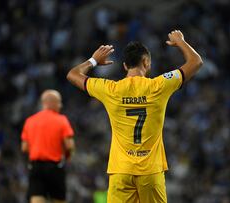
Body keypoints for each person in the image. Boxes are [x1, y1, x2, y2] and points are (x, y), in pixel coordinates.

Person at [67, 30, 203, 202]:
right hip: (151, 171)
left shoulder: (111, 89)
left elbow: (72, 75)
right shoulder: (159, 85)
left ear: (125, 66)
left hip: (121, 170)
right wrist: (181, 41)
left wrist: (94, 60)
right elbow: (196, 62)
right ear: (146, 62)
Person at [21, 89, 75, 203]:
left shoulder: (30, 121)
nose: (61, 105)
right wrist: (68, 156)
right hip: (55, 166)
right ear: (52, 103)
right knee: (59, 199)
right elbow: (69, 145)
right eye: (59, 102)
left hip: (36, 166)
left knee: (36, 198)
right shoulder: (61, 120)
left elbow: (24, 147)